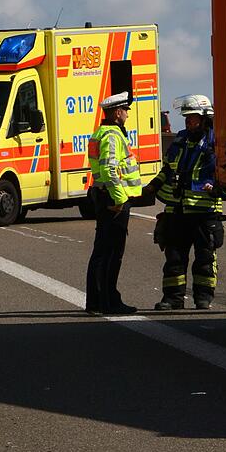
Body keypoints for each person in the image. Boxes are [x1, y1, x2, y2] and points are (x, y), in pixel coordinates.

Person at [143, 94, 223, 310]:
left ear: (205, 119)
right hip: (176, 209)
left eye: (193, 118)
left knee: (205, 258)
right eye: (186, 118)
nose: (188, 122)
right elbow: (167, 170)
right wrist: (153, 186)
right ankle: (172, 298)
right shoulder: (179, 141)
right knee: (174, 258)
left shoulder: (217, 142)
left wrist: (216, 186)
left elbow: (224, 172)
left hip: (205, 211)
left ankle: (203, 298)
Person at [84, 91, 141, 315]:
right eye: (125, 111)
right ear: (117, 112)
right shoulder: (113, 135)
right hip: (113, 198)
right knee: (111, 252)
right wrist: (119, 199)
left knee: (101, 251)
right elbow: (109, 168)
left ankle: (96, 301)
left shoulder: (101, 132)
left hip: (103, 194)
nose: (127, 114)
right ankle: (109, 302)